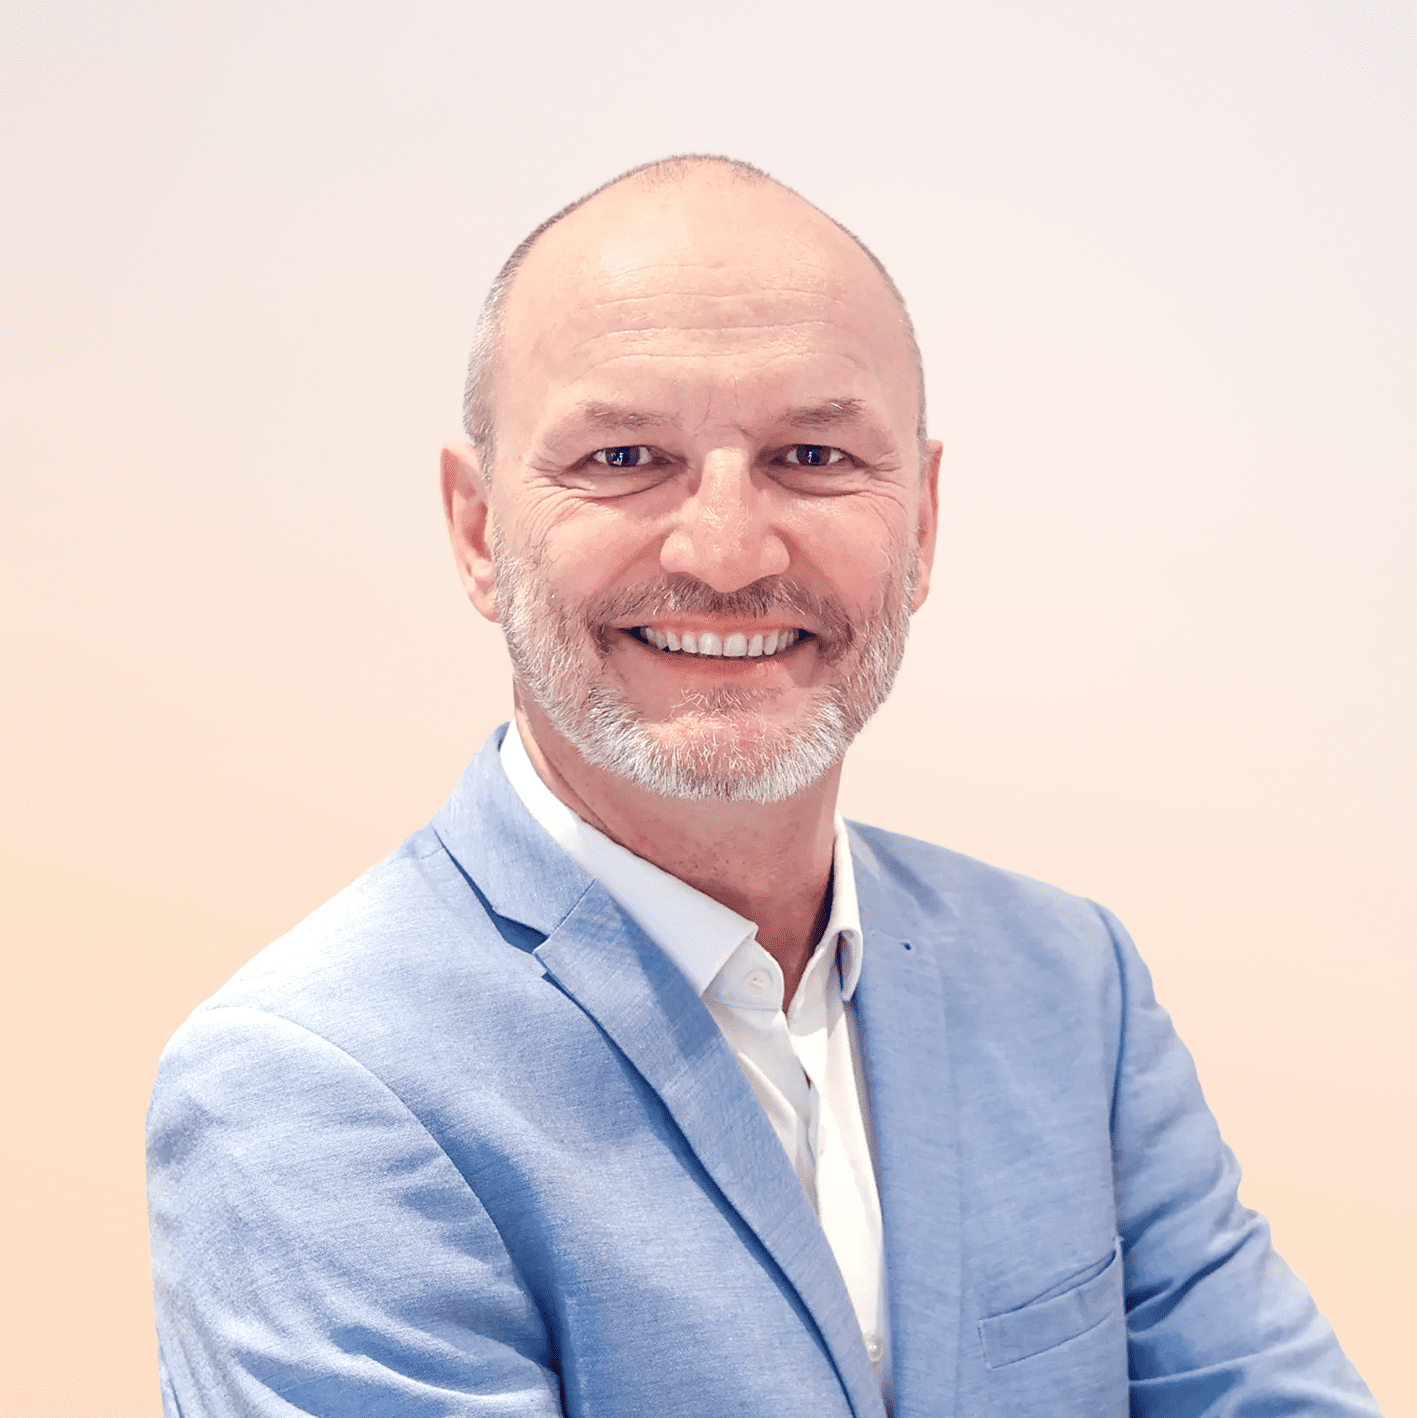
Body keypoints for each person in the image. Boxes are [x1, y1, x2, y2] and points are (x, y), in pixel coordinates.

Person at [146, 155, 1379, 1418]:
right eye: (625, 455)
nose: (727, 552)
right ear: (476, 530)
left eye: (812, 454)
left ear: (922, 522)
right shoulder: (309, 1084)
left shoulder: (1069, 982)